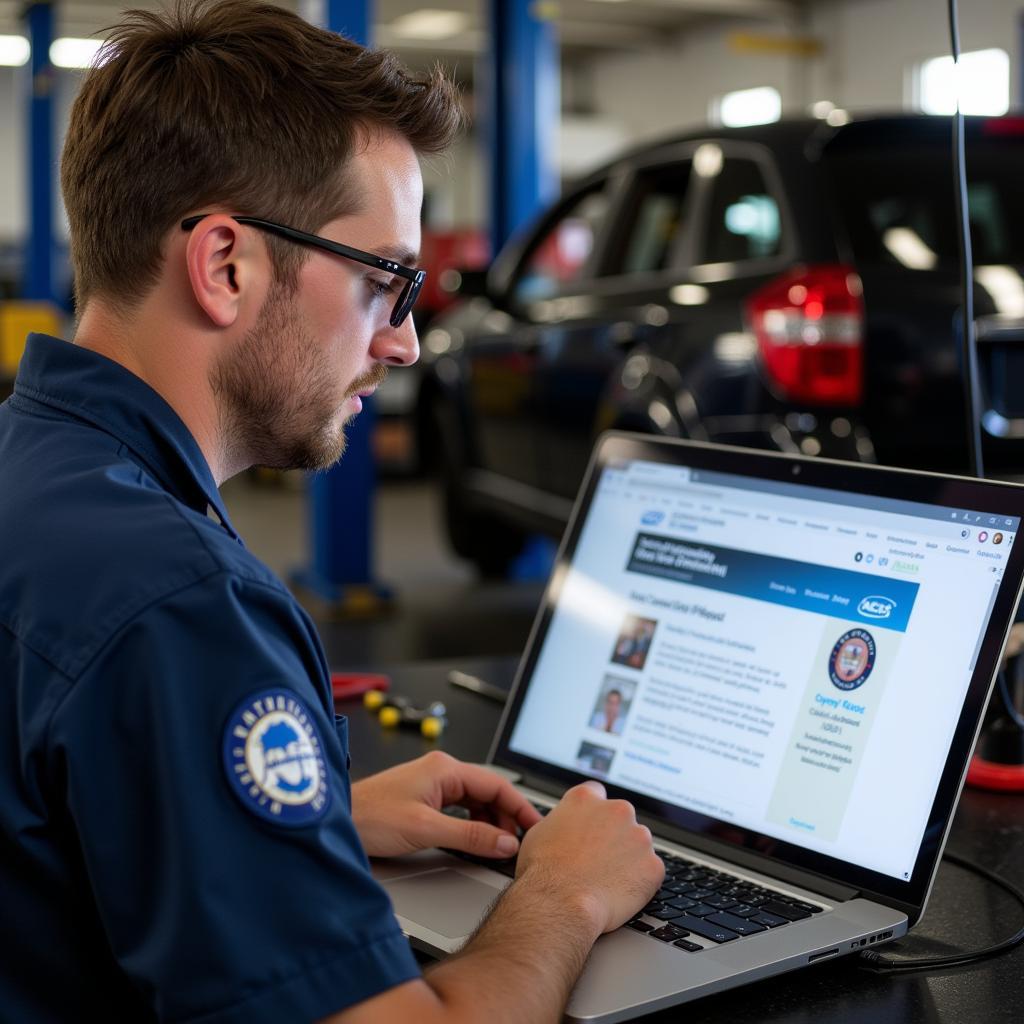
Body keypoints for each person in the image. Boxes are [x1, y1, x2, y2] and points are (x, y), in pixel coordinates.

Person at [0, 3, 663, 1022]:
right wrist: (564, 892)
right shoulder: (179, 604)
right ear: (226, 265)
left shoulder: (30, 473)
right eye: (386, 280)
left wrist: (312, 826)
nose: (403, 342)